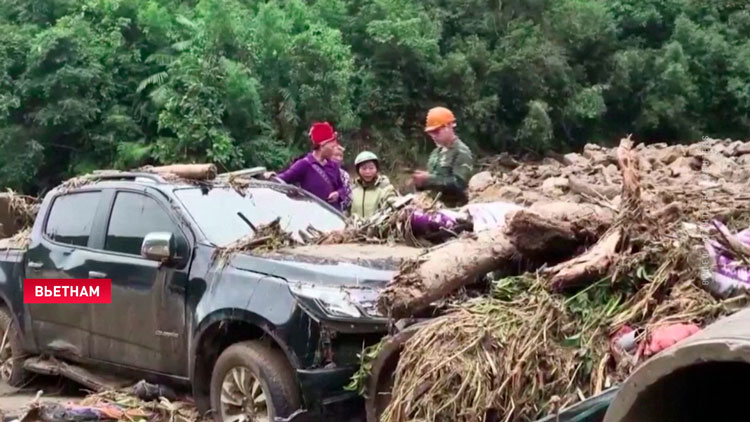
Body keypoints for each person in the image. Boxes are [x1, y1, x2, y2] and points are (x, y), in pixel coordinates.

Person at [266, 122, 349, 211]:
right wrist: (270, 177)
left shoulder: (333, 165)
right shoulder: (304, 165)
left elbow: (342, 188)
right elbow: (282, 180)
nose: (334, 150)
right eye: (332, 147)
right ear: (322, 146)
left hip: (334, 214)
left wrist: (338, 193)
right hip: (313, 215)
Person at [411, 106, 474, 207]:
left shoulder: (461, 151)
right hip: (432, 206)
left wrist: (429, 179)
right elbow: (434, 182)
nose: (434, 136)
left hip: (453, 209)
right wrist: (421, 182)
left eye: (437, 131)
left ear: (449, 126)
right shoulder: (435, 153)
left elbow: (459, 184)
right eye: (431, 133)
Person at [350, 151, 398, 219]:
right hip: (354, 228)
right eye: (364, 168)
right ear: (358, 170)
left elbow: (393, 202)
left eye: (371, 168)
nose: (367, 172)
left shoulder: (385, 188)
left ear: (376, 169)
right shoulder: (352, 189)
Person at [331, 144, 353, 212]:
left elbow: (349, 197)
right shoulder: (319, 170)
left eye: (341, 156)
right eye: (336, 155)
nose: (339, 158)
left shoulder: (344, 175)